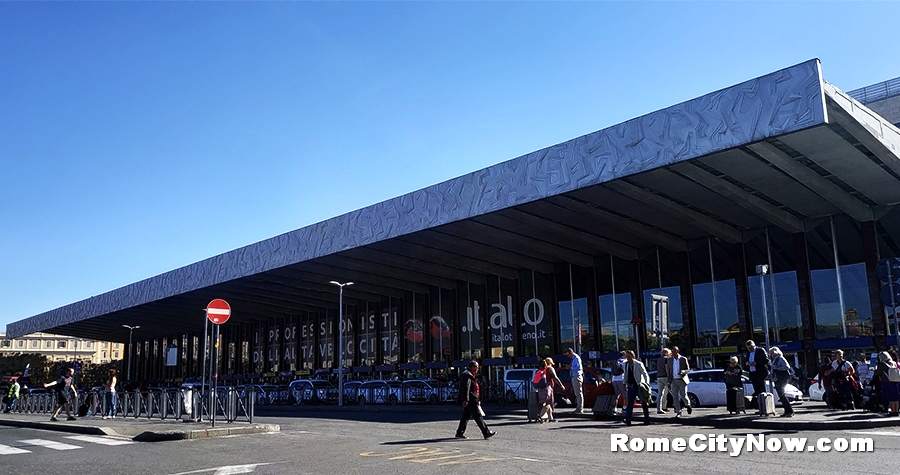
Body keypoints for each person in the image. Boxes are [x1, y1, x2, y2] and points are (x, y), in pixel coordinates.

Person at [455, 361, 496, 439]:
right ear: (471, 367)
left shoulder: (471, 375)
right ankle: (486, 432)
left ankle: (459, 433)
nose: (477, 369)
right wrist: (465, 400)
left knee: (465, 417)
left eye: (478, 367)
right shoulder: (467, 375)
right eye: (476, 367)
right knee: (478, 416)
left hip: (471, 399)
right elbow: (466, 388)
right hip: (471, 400)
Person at [622, 350, 650, 426]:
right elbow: (625, 375)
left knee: (643, 403)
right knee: (630, 403)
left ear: (633, 356)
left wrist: (646, 384)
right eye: (627, 356)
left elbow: (645, 374)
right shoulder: (626, 364)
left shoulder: (639, 364)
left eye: (629, 356)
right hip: (631, 386)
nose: (628, 358)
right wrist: (624, 383)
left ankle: (647, 419)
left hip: (639, 385)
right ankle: (628, 420)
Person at [537, 357, 566, 423]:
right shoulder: (550, 368)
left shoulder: (541, 369)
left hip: (541, 387)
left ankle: (551, 418)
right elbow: (555, 377)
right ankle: (540, 416)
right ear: (550, 362)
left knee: (547, 402)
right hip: (548, 387)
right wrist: (561, 385)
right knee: (548, 403)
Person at [769, 347, 795, 417]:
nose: (771, 354)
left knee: (782, 395)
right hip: (777, 379)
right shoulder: (774, 360)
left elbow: (787, 367)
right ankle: (786, 411)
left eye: (771, 352)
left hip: (781, 379)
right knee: (781, 396)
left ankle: (790, 410)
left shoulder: (780, 358)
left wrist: (777, 368)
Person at [667, 346, 692, 418]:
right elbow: (669, 371)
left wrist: (683, 372)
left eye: (674, 351)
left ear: (677, 351)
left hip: (682, 380)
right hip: (673, 380)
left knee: (683, 395)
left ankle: (688, 405)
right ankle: (678, 412)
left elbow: (688, 369)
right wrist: (669, 381)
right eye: (672, 352)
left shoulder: (683, 359)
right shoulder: (670, 360)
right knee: (675, 397)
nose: (673, 353)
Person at [873, 351, 900, 416]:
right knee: (896, 396)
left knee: (890, 397)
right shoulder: (893, 362)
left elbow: (878, 372)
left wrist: (874, 370)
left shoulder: (882, 363)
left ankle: (892, 411)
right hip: (895, 380)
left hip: (887, 382)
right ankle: (896, 411)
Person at [745, 340, 769, 406]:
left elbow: (766, 360)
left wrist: (756, 363)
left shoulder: (760, 350)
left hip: (760, 373)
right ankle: (759, 406)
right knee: (756, 390)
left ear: (754, 346)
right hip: (753, 374)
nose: (750, 349)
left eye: (751, 348)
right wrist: (747, 364)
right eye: (748, 348)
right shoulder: (748, 353)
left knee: (762, 390)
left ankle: (765, 406)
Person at [565, 348, 585, 414]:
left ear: (571, 352)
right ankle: (579, 408)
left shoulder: (576, 358)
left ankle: (579, 409)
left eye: (568, 355)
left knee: (578, 393)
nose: (568, 356)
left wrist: (570, 367)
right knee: (577, 393)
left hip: (577, 376)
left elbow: (578, 368)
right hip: (575, 376)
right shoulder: (574, 358)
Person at [656, 348, 672, 414]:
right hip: (665, 377)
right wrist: (669, 377)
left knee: (661, 393)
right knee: (672, 391)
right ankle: (677, 406)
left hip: (659, 377)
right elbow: (667, 369)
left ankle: (659, 408)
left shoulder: (659, 359)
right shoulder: (667, 359)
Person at [611, 351, 627, 415]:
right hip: (621, 379)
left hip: (614, 379)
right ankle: (624, 408)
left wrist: (612, 380)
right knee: (626, 395)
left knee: (616, 396)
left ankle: (614, 409)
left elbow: (612, 372)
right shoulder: (625, 362)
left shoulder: (615, 362)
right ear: (623, 356)